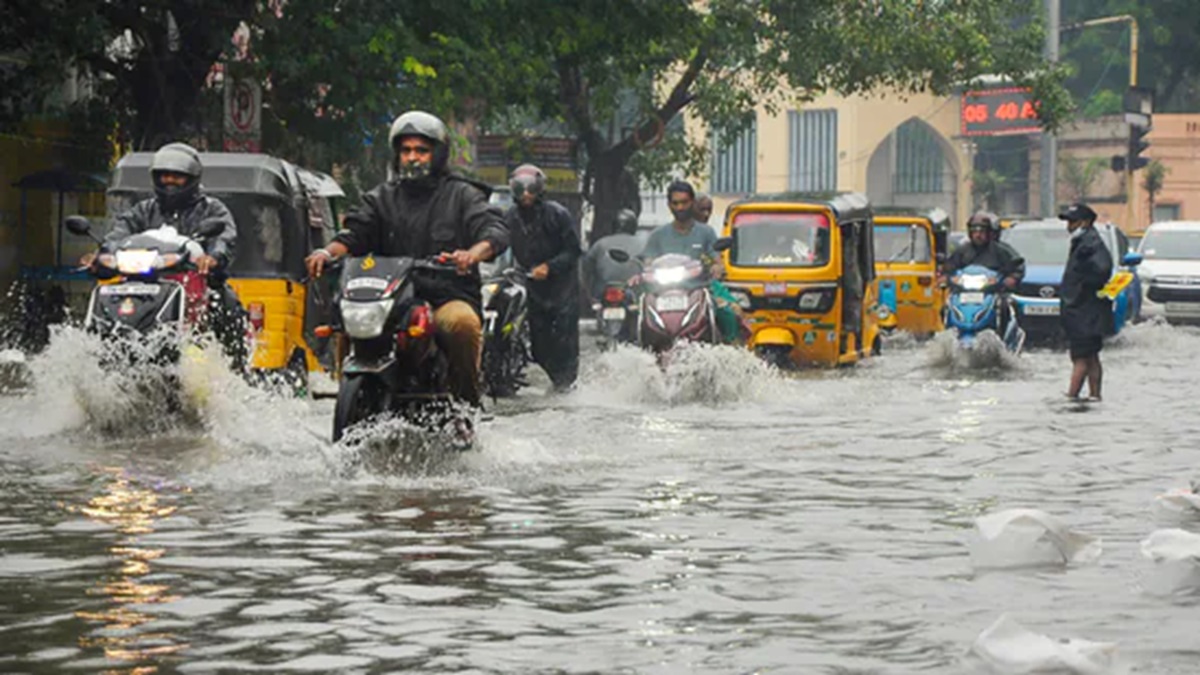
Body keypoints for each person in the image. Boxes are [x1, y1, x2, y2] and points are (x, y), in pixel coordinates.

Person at [304, 110, 508, 408]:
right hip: (390, 300)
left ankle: (467, 405)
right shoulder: (381, 198)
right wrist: (326, 252)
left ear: (437, 154)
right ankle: (346, 392)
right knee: (349, 321)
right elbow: (354, 234)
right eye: (406, 150)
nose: (413, 157)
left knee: (463, 325)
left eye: (422, 151)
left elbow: (494, 229)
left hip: (445, 296)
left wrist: (472, 254)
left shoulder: (462, 195)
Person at [83, 142, 247, 369]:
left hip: (196, 281)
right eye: (164, 175)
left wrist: (213, 258)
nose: (169, 181)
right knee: (108, 297)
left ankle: (234, 370)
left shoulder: (212, 209)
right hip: (141, 281)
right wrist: (102, 255)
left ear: (192, 179)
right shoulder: (143, 210)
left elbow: (225, 238)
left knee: (227, 303)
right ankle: (92, 356)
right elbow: (119, 233)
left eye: (177, 176)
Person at [504, 164, 582, 392]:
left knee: (565, 343)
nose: (526, 194)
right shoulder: (509, 218)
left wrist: (550, 267)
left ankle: (566, 387)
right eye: (520, 188)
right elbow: (497, 242)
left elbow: (573, 251)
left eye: (531, 188)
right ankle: (556, 382)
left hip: (562, 291)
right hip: (533, 289)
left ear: (540, 189)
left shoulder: (557, 214)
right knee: (539, 346)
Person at [641, 181, 743, 344]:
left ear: (692, 202)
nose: (680, 207)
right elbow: (648, 262)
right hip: (662, 292)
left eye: (684, 202)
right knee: (637, 312)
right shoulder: (657, 235)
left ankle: (732, 349)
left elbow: (715, 258)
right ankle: (635, 349)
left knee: (727, 313)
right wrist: (643, 272)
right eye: (675, 203)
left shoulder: (706, 232)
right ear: (669, 205)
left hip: (698, 288)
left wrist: (716, 267)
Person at [1059, 203, 1113, 401]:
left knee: (1081, 357)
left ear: (1086, 222)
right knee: (1090, 356)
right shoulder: (1083, 242)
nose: (1069, 226)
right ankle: (1095, 396)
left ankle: (1072, 397)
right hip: (1081, 310)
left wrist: (1083, 288)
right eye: (1068, 222)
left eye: (1073, 222)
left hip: (1084, 310)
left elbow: (1102, 270)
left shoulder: (1090, 243)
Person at [941, 210, 1025, 335]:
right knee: (945, 308)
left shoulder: (1000, 250)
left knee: (1003, 307)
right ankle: (949, 333)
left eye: (981, 231)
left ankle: (1002, 336)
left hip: (992, 291)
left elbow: (1017, 265)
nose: (978, 235)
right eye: (975, 231)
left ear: (989, 233)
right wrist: (946, 278)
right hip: (964, 292)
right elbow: (949, 267)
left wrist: (1012, 278)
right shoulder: (962, 251)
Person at [582, 208, 642, 302]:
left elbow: (585, 268)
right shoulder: (643, 243)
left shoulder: (600, 244)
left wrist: (588, 294)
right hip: (634, 292)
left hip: (602, 293)